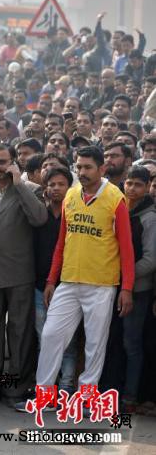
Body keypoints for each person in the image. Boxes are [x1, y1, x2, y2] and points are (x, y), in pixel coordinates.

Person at [32, 146, 134, 408]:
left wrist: (127, 288)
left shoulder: (115, 198)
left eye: (88, 167)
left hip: (101, 284)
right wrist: (52, 280)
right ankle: (44, 396)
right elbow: (61, 243)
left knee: (95, 345)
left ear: (102, 169)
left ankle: (87, 399)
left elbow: (126, 248)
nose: (83, 172)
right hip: (68, 280)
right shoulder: (71, 196)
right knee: (51, 335)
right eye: (79, 167)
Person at [0, 143, 47, 407]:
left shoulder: (31, 189)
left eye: (2, 162)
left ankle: (15, 389)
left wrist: (20, 184)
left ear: (14, 163)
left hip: (18, 273)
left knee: (19, 332)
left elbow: (39, 218)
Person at [31, 167, 79, 398]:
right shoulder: (39, 215)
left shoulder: (75, 214)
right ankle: (46, 390)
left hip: (68, 286)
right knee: (44, 340)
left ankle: (67, 387)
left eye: (61, 184)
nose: (56, 188)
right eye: (51, 184)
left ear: (70, 187)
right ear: (45, 188)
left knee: (67, 343)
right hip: (40, 286)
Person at [120, 166, 156, 411]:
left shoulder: (149, 217)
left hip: (138, 290)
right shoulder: (119, 208)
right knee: (115, 343)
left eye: (138, 185)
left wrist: (126, 278)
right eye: (129, 183)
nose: (132, 188)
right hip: (114, 286)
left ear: (146, 189)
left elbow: (151, 259)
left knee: (131, 344)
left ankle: (130, 397)